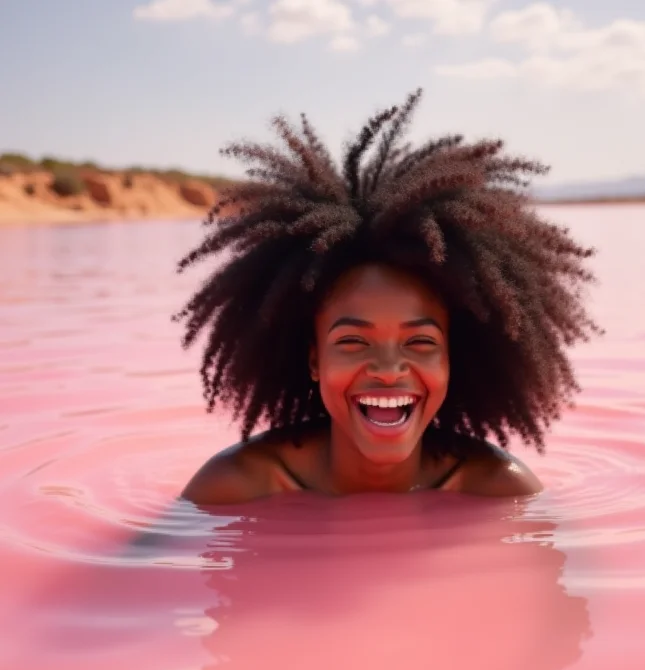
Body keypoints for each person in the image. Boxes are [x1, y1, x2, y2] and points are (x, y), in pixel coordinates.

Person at [174, 89, 601, 503]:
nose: (388, 369)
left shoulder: (498, 490)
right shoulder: (235, 489)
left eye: (420, 342)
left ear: (452, 358)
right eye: (353, 341)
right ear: (313, 359)